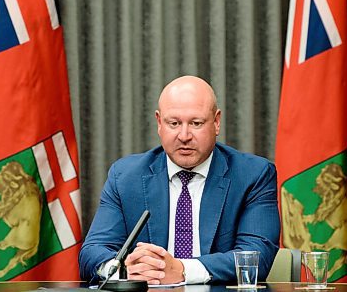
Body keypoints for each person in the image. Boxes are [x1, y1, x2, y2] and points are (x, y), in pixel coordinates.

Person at [79, 76, 280, 285]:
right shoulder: (125, 176)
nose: (184, 135)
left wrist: (182, 270)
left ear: (216, 122)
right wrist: (123, 269)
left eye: (196, 123)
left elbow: (257, 255)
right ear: (159, 123)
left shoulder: (253, 175)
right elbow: (92, 253)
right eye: (174, 123)